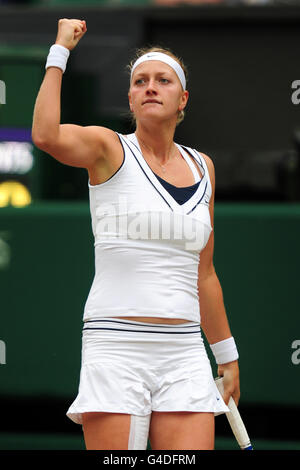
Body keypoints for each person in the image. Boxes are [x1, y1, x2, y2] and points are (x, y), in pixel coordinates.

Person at [32, 18, 240, 450]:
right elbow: (45, 135)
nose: (150, 87)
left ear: (182, 99)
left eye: (162, 80)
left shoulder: (205, 168)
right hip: (116, 348)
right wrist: (60, 51)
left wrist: (226, 356)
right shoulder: (108, 148)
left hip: (184, 352)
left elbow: (204, 274)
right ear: (129, 97)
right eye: (140, 81)